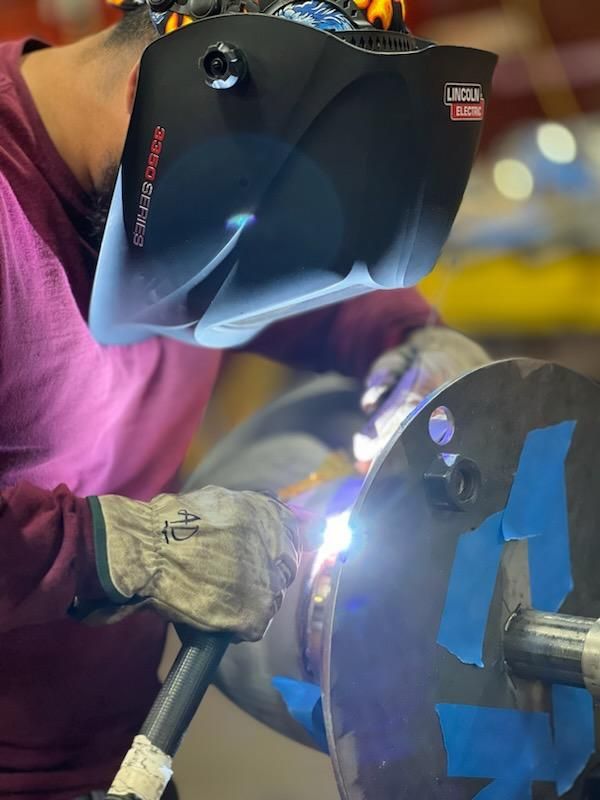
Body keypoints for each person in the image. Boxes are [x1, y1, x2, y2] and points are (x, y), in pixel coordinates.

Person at [0, 4, 489, 799]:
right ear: (146, 102)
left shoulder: (196, 179)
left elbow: (283, 267)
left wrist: (403, 336)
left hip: (116, 752)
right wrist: (104, 546)